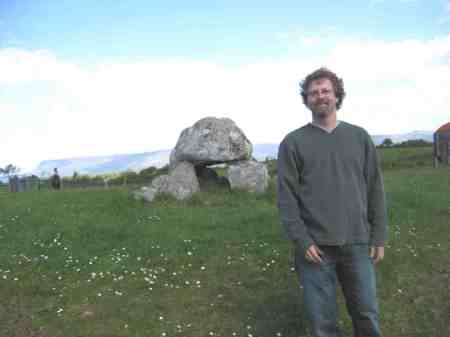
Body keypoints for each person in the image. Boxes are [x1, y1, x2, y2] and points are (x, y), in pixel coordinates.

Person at [277, 67, 388, 337]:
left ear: (337, 95)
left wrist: (380, 235)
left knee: (366, 315)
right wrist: (302, 240)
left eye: (325, 90)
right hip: (315, 249)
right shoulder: (292, 143)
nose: (320, 96)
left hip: (358, 241)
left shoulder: (359, 137)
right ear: (306, 100)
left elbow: (375, 187)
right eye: (313, 92)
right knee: (322, 324)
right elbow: (287, 199)